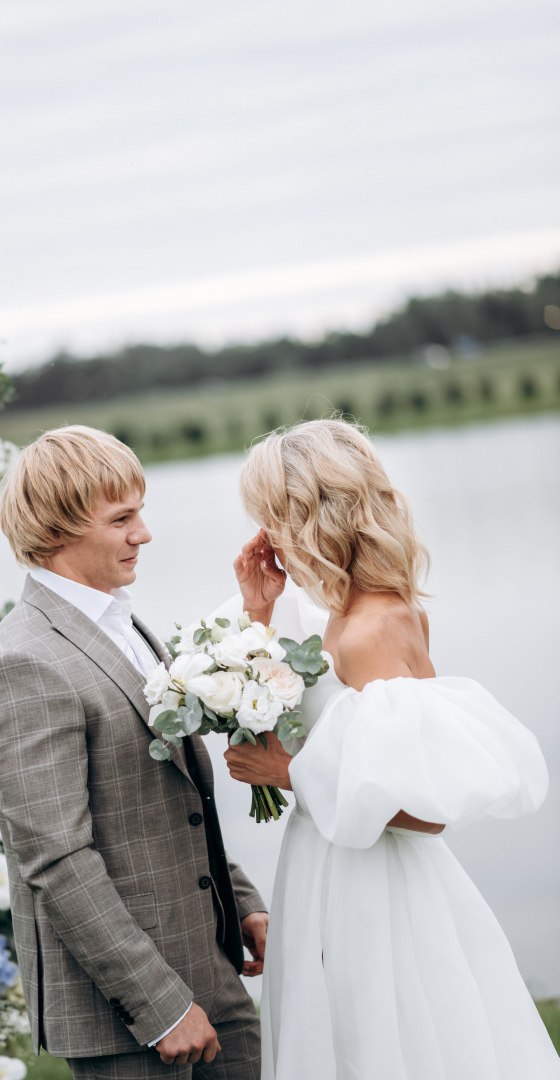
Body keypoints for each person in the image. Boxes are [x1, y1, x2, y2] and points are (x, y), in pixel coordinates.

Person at [222, 418, 559, 1079]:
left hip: (374, 891)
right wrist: (258, 612)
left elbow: (425, 811)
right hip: (327, 870)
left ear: (308, 516)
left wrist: (288, 775)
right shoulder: (342, 613)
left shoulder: (376, 628)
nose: (266, 536)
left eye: (272, 516)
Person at [0, 425, 267, 1079]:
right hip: (129, 1015)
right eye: (122, 518)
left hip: (211, 965)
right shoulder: (23, 663)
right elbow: (56, 860)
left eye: (142, 511)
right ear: (57, 529)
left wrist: (242, 903)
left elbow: (171, 799)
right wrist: (158, 1007)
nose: (145, 533)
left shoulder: (124, 622)